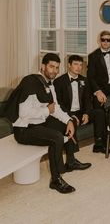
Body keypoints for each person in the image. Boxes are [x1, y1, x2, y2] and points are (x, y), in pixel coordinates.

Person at [9, 53, 91, 194]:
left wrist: (69, 120)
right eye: (51, 66)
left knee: (69, 124)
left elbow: (56, 108)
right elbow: (23, 113)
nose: (54, 71)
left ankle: (70, 162)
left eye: (57, 68)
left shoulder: (48, 83)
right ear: (42, 66)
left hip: (40, 123)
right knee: (56, 137)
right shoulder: (30, 82)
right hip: (24, 129)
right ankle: (56, 179)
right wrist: (47, 110)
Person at [54, 54, 92, 149]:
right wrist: (70, 114)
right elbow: (59, 103)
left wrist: (87, 113)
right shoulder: (59, 81)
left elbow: (87, 99)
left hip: (81, 112)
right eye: (75, 64)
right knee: (72, 121)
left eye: (80, 65)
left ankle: (100, 145)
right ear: (69, 65)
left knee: (99, 113)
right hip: (68, 112)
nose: (78, 67)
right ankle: (73, 155)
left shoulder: (84, 80)